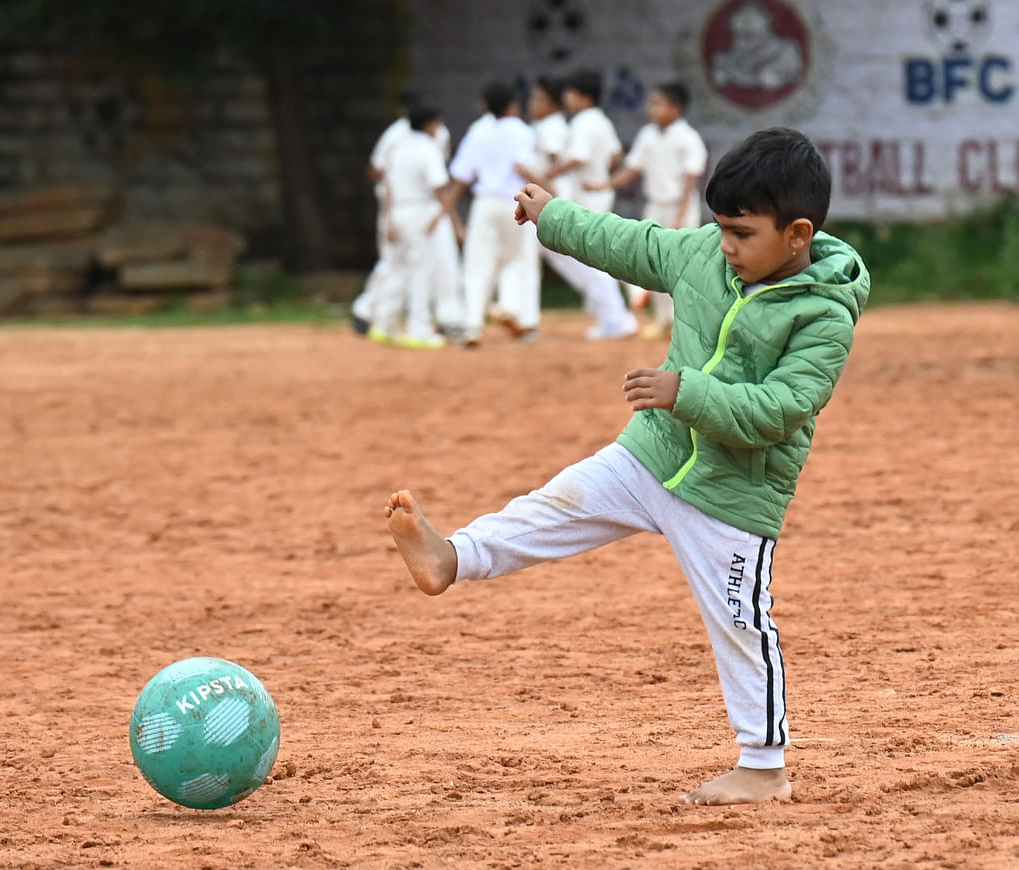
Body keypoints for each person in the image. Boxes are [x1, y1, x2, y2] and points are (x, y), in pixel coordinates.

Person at [382, 128, 869, 805]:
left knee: (741, 622)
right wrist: (555, 217)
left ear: (797, 233)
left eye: (741, 232)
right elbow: (629, 243)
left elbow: (780, 409)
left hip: (732, 494)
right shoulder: (703, 255)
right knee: (555, 503)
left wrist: (685, 392)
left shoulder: (825, 313)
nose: (724, 243)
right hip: (653, 454)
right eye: (720, 227)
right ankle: (452, 558)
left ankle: (762, 768)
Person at [587, 82, 707, 340]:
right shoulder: (648, 135)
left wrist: (681, 215)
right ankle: (663, 319)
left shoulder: (688, 138)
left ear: (676, 108)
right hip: (656, 204)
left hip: (680, 205)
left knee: (682, 266)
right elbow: (632, 168)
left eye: (659, 104)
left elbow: (691, 178)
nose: (652, 109)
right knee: (652, 261)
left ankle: (684, 323)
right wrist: (604, 184)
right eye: (652, 104)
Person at [535, 69, 639, 341]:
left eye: (570, 93)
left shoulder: (582, 122)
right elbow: (616, 154)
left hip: (586, 198)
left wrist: (550, 174)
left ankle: (615, 318)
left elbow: (578, 158)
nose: (566, 98)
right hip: (596, 196)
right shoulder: (601, 121)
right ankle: (611, 313)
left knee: (589, 260)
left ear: (583, 97)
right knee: (585, 256)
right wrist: (601, 173)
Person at [353, 91, 461, 337]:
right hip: (421, 212)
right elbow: (439, 188)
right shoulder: (427, 150)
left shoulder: (400, 147)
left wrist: (389, 218)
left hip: (397, 211)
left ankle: (383, 323)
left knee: (396, 267)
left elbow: (386, 181)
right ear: (429, 124)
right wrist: (445, 218)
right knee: (422, 270)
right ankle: (419, 327)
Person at [445, 81, 539, 347]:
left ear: (486, 106)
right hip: (516, 202)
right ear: (513, 105)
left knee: (477, 263)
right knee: (515, 259)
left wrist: (448, 211)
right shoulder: (522, 131)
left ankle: (472, 325)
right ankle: (510, 307)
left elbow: (462, 175)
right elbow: (524, 167)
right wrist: (549, 187)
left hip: (484, 203)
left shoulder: (478, 131)